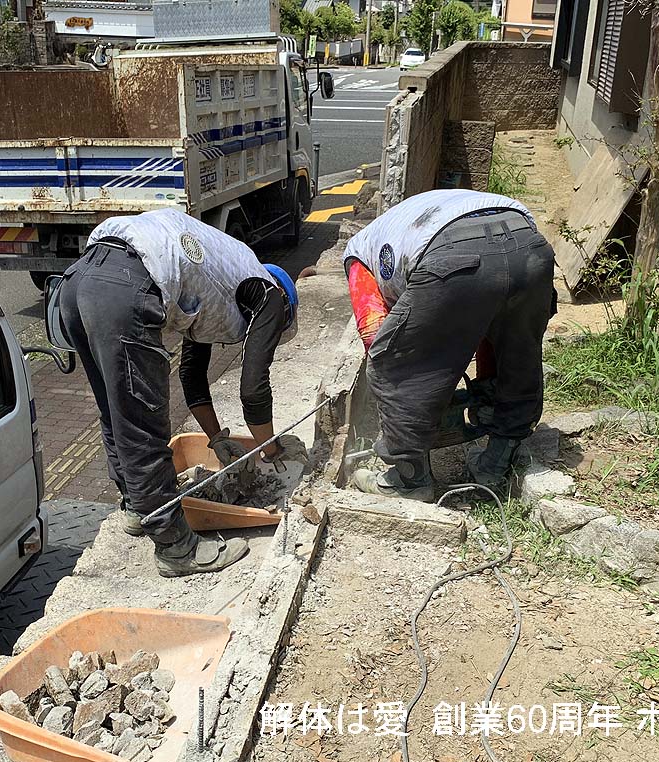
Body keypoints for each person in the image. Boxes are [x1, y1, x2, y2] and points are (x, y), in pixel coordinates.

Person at [58, 209, 305, 577]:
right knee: (142, 421)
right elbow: (253, 389)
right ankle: (176, 547)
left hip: (81, 279)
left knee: (116, 410)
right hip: (129, 279)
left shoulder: (217, 282)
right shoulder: (268, 294)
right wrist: (272, 450)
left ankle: (137, 508)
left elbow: (192, 377)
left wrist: (217, 438)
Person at [342, 189, 557, 500]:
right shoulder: (404, 224)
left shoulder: (358, 257)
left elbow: (375, 333)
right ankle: (496, 463)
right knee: (518, 352)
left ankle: (409, 479)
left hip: (452, 253)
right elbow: (488, 325)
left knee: (390, 361)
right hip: (529, 245)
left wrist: (418, 402)